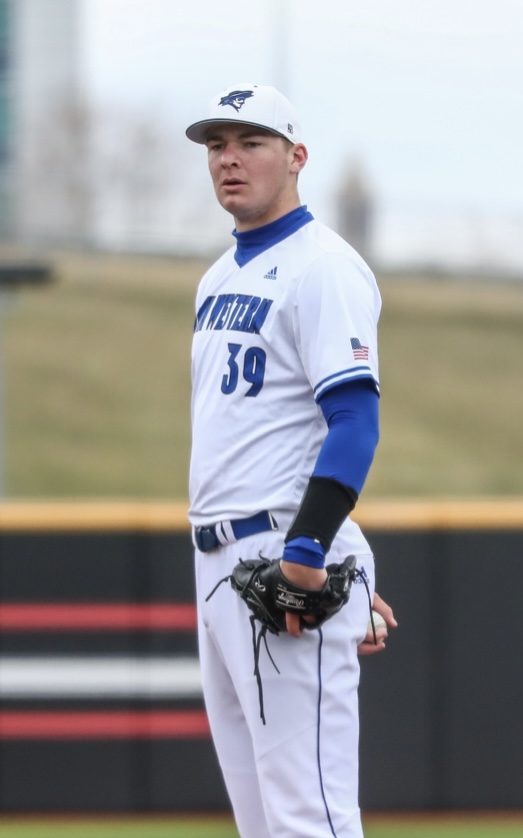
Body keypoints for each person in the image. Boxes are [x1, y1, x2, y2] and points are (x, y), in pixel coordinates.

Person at [185, 82, 397, 838]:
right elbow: (264, 434)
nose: (229, 161)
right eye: (217, 146)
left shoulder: (324, 268)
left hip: (281, 556)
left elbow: (354, 423)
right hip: (219, 559)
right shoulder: (218, 278)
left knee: (311, 817)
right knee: (264, 822)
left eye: (251, 144)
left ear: (297, 156)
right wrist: (351, 560)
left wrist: (316, 551)